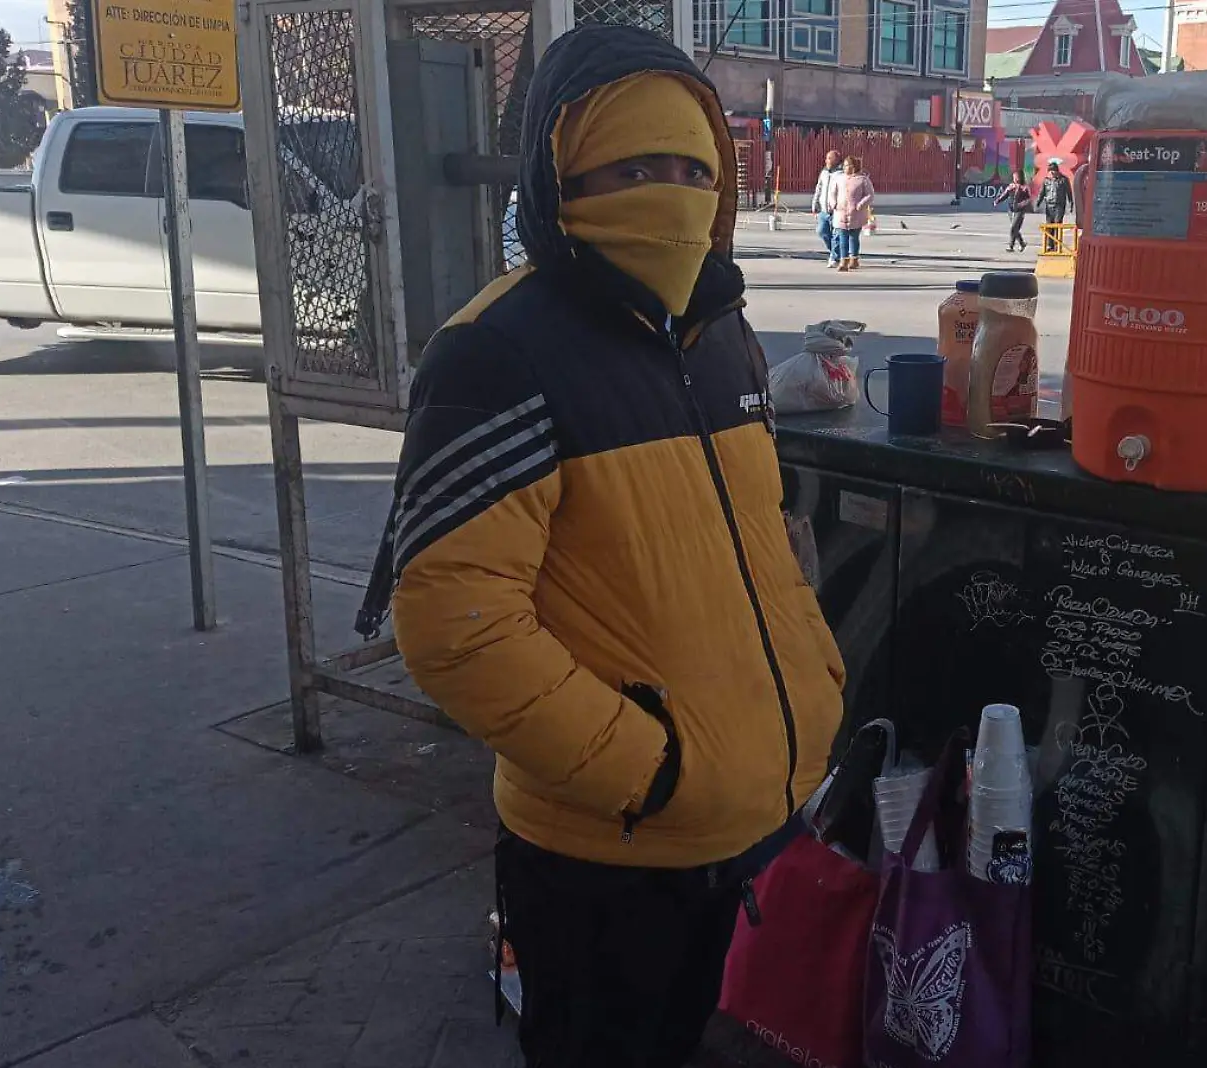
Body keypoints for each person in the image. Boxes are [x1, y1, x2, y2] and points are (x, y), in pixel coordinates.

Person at [371, 24, 845, 1068]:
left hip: (759, 823)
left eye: (691, 169)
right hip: (611, 855)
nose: (669, 195)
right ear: (561, 174)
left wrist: (809, 691)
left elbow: (759, 539)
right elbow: (452, 621)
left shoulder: (719, 332)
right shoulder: (498, 353)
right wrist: (651, 770)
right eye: (634, 168)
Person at [831, 155, 874, 272]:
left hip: (856, 214)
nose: (845, 168)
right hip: (841, 212)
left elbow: (870, 195)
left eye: (848, 165)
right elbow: (833, 192)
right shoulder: (839, 178)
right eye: (844, 165)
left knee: (853, 237)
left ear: (854, 166)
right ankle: (843, 261)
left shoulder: (863, 179)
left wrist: (860, 205)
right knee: (842, 237)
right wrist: (833, 203)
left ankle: (854, 258)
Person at [810, 149, 843, 268]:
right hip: (823, 209)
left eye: (829, 158)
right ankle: (836, 252)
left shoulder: (841, 174)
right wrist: (814, 204)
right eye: (827, 158)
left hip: (836, 209)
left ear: (836, 160)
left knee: (836, 234)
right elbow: (818, 188)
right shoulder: (824, 173)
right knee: (821, 231)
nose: (826, 160)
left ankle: (834, 257)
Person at [1038, 159, 1072, 252]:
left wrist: (1071, 203)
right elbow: (1042, 192)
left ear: (1057, 171)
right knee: (1049, 226)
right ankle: (1050, 245)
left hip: (1059, 205)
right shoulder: (1046, 181)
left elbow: (1069, 192)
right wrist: (1038, 202)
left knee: (1057, 224)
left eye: (1053, 171)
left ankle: (1057, 244)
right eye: (1050, 171)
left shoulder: (1063, 180)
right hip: (1049, 205)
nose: (1052, 173)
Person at [994, 172, 1032, 253]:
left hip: (1020, 211)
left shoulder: (1025, 187)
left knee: (1013, 228)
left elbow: (1028, 199)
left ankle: (1011, 246)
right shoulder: (1011, 186)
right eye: (1014, 177)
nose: (1015, 179)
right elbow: (1005, 195)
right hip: (1011, 210)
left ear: (1021, 177)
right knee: (1015, 229)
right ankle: (1022, 243)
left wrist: (1021, 205)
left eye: (1016, 177)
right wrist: (997, 201)